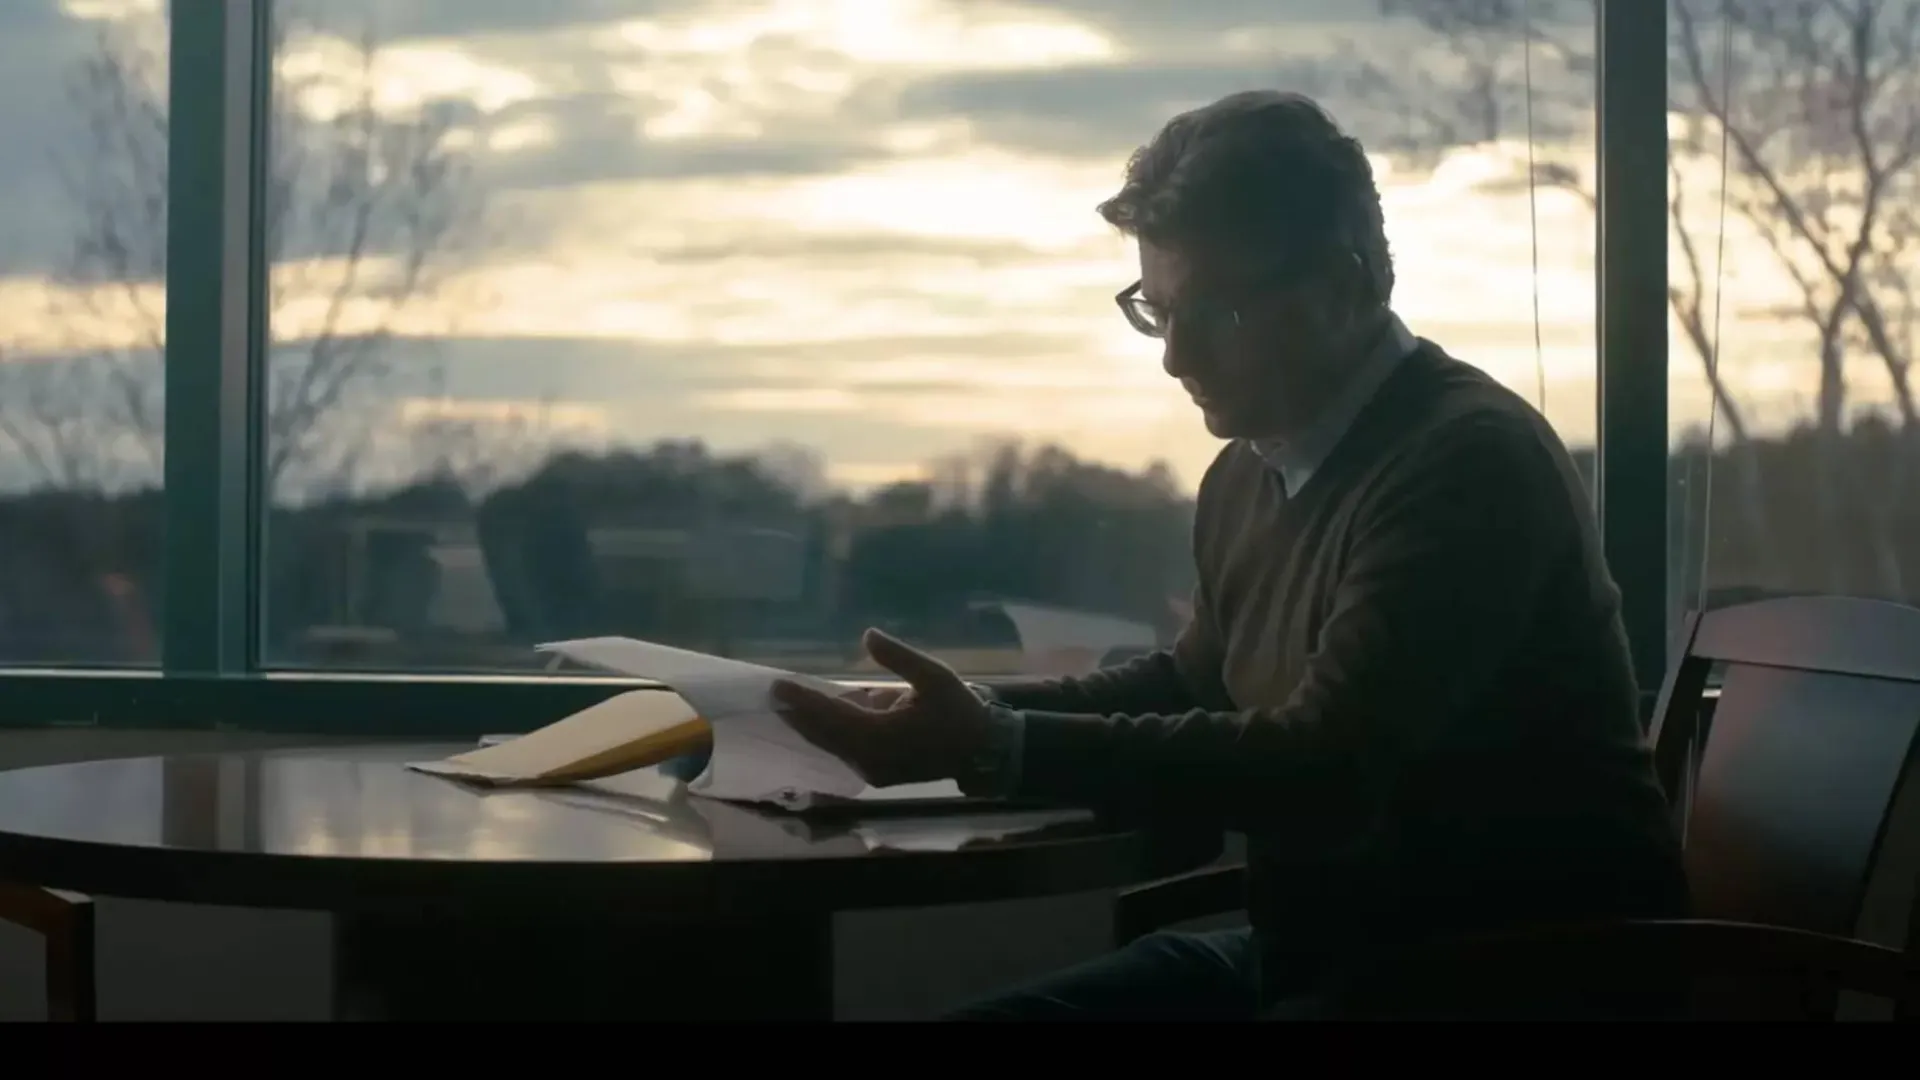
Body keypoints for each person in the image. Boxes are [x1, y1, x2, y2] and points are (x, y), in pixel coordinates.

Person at [772, 90, 1688, 1020]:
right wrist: (967, 710)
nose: (1174, 358)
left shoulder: (1468, 463)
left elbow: (1326, 768)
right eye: (1155, 312)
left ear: (1343, 283)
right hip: (1321, 963)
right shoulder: (1248, 475)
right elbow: (1191, 684)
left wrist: (998, 746)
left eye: (1213, 314)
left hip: (1511, 983)